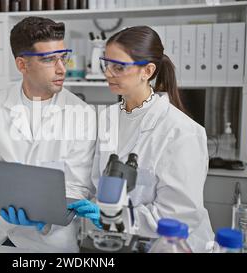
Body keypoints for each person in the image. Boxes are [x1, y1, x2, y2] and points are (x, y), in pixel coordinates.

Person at [68, 26, 214, 252]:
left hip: (171, 247)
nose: (108, 73)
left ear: (147, 71)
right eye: (106, 64)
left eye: (118, 67)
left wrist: (115, 217)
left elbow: (179, 216)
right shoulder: (107, 117)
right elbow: (96, 185)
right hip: (120, 243)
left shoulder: (181, 131)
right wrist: (56, 210)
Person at [0, 16, 95, 252]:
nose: (62, 69)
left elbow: (77, 188)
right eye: (49, 60)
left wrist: (42, 216)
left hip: (48, 237)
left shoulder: (83, 114)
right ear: (22, 65)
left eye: (63, 57)